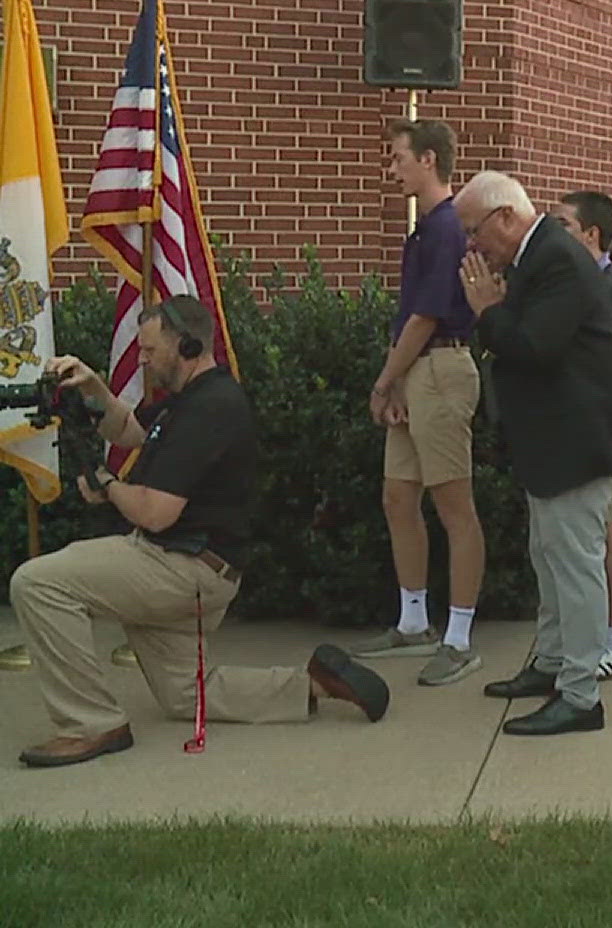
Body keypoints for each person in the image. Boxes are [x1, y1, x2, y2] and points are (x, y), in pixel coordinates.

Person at [11, 298, 391, 767]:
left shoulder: (210, 410)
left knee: (37, 583)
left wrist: (107, 486)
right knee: (187, 698)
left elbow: (155, 514)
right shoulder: (193, 401)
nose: (143, 359)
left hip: (181, 567)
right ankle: (315, 685)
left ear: (186, 344)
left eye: (150, 350)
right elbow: (129, 430)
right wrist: (94, 386)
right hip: (193, 565)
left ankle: (90, 724)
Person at [458, 171, 612, 736]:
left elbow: (535, 346)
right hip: (553, 441)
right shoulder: (534, 260)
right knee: (550, 556)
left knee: (577, 566)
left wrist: (489, 311)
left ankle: (581, 695)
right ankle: (554, 661)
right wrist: (497, 308)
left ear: (505, 216)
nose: (472, 244)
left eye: (474, 230)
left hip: (577, 442)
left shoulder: (556, 260)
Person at [353, 119, 487, 689]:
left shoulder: (447, 228)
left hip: (442, 369)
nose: (392, 168)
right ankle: (414, 622)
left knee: (453, 504)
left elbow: (428, 315)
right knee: (397, 495)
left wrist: (386, 381)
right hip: (418, 371)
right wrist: (398, 380)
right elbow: (410, 317)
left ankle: (457, 637)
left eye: (399, 158)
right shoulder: (426, 229)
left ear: (429, 160)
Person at [546, 191, 612, 680]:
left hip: (599, 437)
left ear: (592, 235)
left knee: (606, 538)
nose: (551, 230)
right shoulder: (576, 285)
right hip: (572, 434)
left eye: (562, 224)